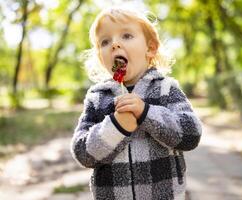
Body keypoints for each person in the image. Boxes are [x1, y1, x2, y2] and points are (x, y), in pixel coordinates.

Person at [70, 5, 202, 200]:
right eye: (105, 41)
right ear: (100, 57)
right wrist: (115, 127)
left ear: (150, 48)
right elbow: (82, 153)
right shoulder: (98, 97)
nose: (115, 44)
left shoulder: (165, 89)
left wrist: (147, 113)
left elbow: (191, 134)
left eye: (126, 36)